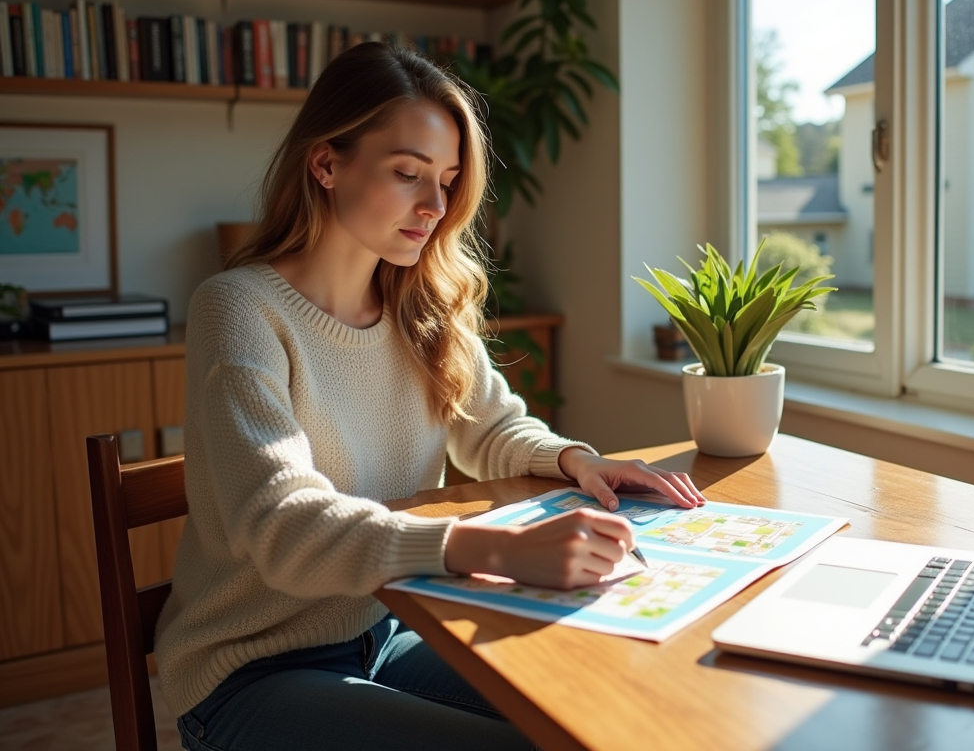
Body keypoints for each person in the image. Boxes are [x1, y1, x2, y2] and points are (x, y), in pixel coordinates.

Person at [154, 41, 705, 751]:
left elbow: (493, 426)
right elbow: (283, 526)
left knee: (598, 712)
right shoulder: (239, 310)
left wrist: (574, 461)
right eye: (408, 174)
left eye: (446, 179)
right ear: (325, 164)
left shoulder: (418, 306)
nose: (435, 206)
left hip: (385, 627)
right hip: (252, 670)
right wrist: (495, 550)